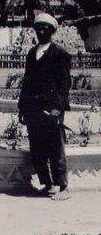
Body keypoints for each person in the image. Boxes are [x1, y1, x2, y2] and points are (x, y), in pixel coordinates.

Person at [18, 12, 72, 200]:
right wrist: (22, 108)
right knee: (38, 148)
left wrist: (57, 109)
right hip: (33, 109)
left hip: (51, 110)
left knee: (55, 149)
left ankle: (63, 187)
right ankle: (47, 184)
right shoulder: (32, 53)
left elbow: (64, 84)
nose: (41, 31)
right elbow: (27, 83)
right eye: (38, 28)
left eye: (45, 28)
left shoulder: (59, 53)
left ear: (52, 31)